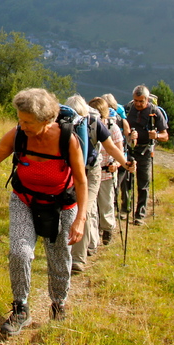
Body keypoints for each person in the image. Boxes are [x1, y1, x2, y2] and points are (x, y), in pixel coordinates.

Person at [0, 88, 88, 337]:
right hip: (24, 200)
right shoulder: (18, 134)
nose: (22, 125)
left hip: (61, 205)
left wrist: (80, 219)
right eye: (20, 119)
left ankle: (58, 304)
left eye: (28, 122)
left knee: (59, 256)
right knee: (19, 252)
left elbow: (81, 181)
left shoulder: (67, 139)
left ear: (46, 120)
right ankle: (20, 308)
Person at [65, 95, 135, 271]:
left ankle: (78, 259)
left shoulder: (95, 123)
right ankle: (74, 248)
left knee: (84, 210)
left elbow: (111, 147)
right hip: (69, 172)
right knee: (68, 210)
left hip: (90, 172)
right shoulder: (62, 123)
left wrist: (125, 163)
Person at [124, 85, 168, 225]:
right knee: (126, 180)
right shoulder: (128, 109)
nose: (138, 104)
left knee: (143, 182)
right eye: (136, 100)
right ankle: (125, 209)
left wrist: (157, 136)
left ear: (147, 99)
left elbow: (165, 135)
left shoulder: (155, 112)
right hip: (129, 149)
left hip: (145, 150)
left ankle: (140, 214)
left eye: (141, 101)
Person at [89, 97, 125, 247]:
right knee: (92, 207)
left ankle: (108, 228)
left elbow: (119, 151)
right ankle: (93, 236)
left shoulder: (112, 128)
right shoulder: (87, 127)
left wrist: (116, 163)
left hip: (106, 172)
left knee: (106, 204)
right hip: (91, 173)